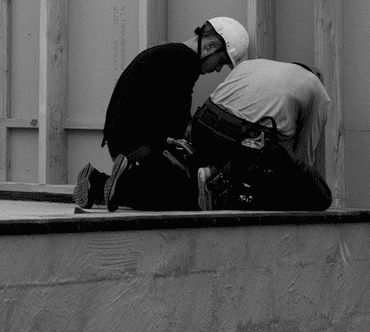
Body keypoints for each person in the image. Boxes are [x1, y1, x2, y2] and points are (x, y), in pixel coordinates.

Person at [72, 16, 249, 212]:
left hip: (127, 140)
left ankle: (97, 183)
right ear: (211, 46)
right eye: (222, 61)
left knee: (184, 187)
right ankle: (115, 185)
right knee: (188, 198)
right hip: (138, 146)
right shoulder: (184, 62)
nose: (217, 69)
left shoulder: (168, 54)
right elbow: (178, 123)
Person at [190, 58, 332, 211]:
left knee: (256, 149)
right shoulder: (317, 89)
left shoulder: (252, 64)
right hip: (245, 138)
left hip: (202, 125)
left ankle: (215, 174)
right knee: (320, 196)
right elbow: (305, 152)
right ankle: (220, 183)